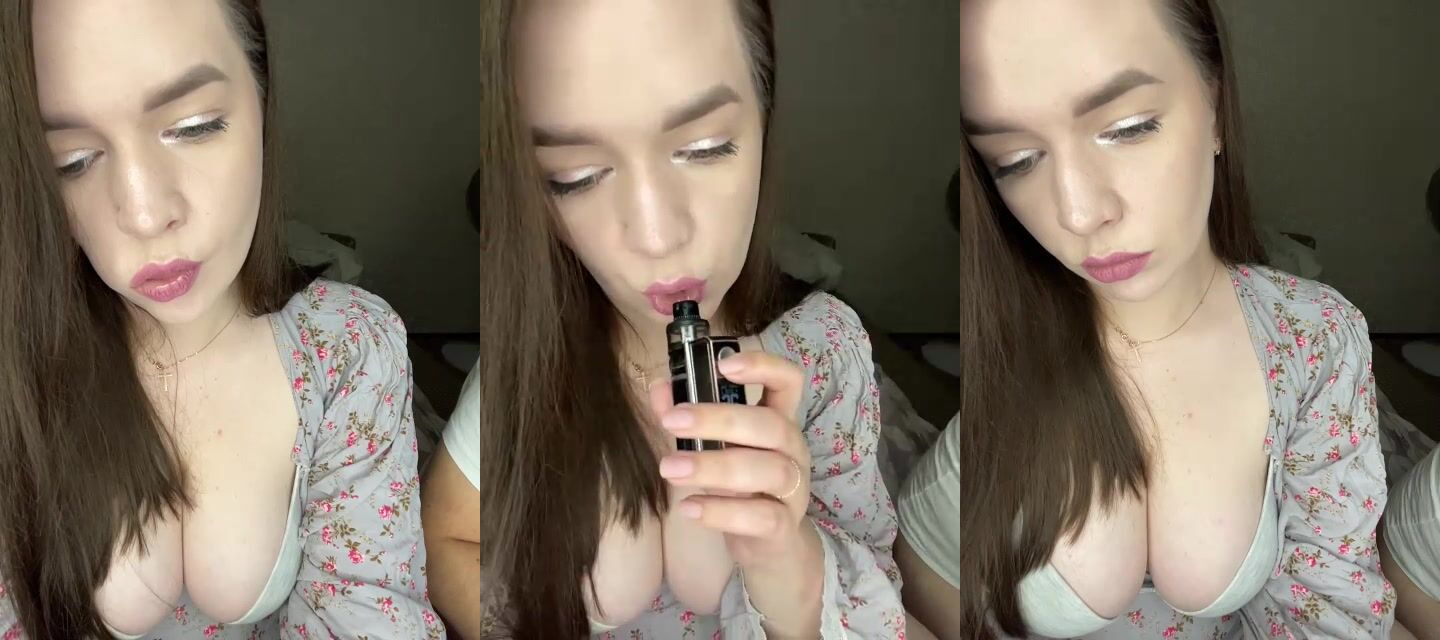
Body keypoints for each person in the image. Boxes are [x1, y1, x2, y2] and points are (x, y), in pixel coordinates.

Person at [898, 0, 1403, 637]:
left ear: (1214, 103)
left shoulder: (1315, 337)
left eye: (1129, 128)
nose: (1080, 213)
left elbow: (1328, 608)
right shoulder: (996, 343)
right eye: (1016, 161)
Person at [422, 0, 905, 637]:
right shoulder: (525, 362)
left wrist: (788, 562)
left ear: (765, 118)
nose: (656, 237)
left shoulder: (823, 350)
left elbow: (877, 594)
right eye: (576, 177)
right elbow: (446, 539)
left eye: (705, 148)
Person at [0, 1, 440, 637]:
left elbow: (368, 612)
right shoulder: (18, 363)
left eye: (195, 126)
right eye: (72, 161)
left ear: (263, 98)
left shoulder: (348, 349)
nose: (146, 214)